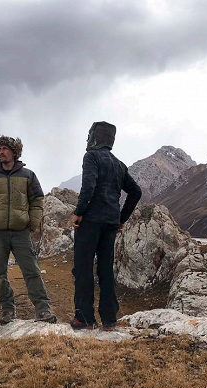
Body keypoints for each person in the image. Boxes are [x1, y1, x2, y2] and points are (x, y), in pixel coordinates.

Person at [0, 135, 57, 325]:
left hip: (21, 233)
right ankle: (8, 310)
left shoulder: (28, 175)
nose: (1, 152)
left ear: (14, 151)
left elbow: (37, 201)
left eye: (5, 148)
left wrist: (32, 223)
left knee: (32, 271)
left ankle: (43, 310)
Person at [70, 121, 142, 331]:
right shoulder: (119, 164)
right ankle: (109, 319)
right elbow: (135, 192)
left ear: (94, 137)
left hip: (91, 221)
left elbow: (89, 186)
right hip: (110, 223)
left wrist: (79, 213)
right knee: (106, 270)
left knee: (83, 269)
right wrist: (121, 219)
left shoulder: (91, 157)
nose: (86, 140)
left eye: (89, 135)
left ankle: (84, 318)